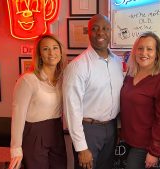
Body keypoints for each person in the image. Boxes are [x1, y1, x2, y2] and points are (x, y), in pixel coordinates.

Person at [62, 14, 124, 169]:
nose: (100, 33)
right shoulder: (78, 66)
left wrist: (117, 129)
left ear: (111, 32)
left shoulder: (117, 62)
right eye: (94, 29)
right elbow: (72, 109)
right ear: (88, 32)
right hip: (88, 130)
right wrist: (81, 147)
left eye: (105, 28)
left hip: (111, 128)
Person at [9, 35, 67, 169]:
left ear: (60, 51)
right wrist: (16, 149)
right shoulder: (28, 80)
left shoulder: (63, 78)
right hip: (34, 134)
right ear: (39, 54)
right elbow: (18, 115)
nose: (51, 53)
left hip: (56, 132)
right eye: (46, 49)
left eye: (55, 48)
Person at [120, 32, 160, 169]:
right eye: (140, 48)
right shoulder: (130, 74)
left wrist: (154, 151)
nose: (144, 53)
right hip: (127, 141)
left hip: (146, 146)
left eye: (149, 49)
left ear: (157, 53)